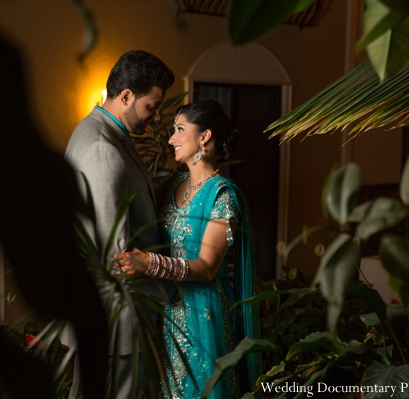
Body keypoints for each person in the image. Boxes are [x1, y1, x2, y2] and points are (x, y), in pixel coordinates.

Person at [114, 98, 261, 398]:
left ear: (204, 136)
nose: (171, 139)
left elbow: (207, 267)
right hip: (166, 313)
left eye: (180, 129)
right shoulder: (171, 186)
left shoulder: (223, 197)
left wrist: (150, 263)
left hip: (204, 316)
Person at [63, 50, 176, 399]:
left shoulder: (106, 133)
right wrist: (171, 276)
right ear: (126, 95)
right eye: (151, 107)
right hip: (116, 323)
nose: (157, 117)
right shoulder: (102, 148)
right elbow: (116, 257)